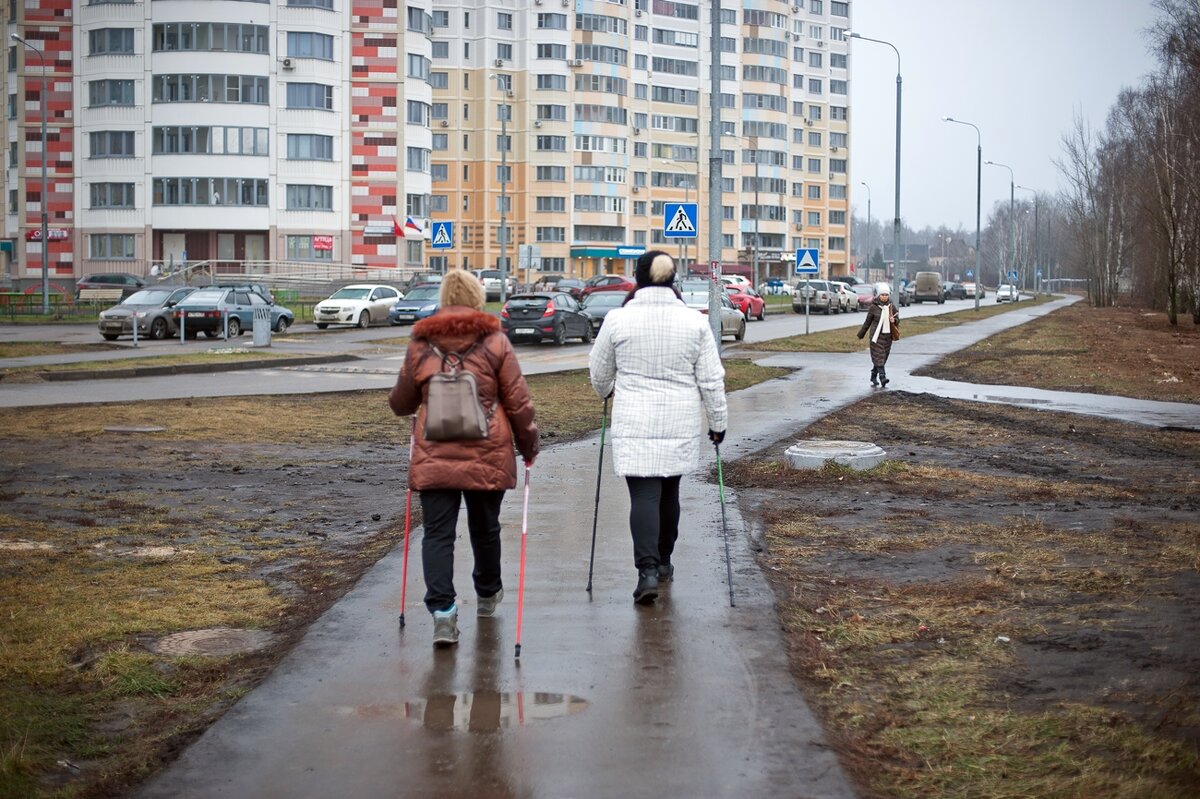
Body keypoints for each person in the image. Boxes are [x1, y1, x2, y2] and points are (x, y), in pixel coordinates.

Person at [389, 269, 539, 646]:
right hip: (487, 452)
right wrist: (529, 447)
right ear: (476, 298)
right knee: (485, 528)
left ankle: (443, 614)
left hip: (435, 453)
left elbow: (400, 403)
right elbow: (518, 402)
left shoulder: (420, 344)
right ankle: (487, 595)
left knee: (437, 534)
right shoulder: (495, 343)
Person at [588, 251, 728, 605]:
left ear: (638, 278)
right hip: (679, 420)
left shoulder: (618, 320)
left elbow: (599, 374)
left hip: (634, 419)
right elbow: (711, 380)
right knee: (669, 493)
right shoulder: (694, 322)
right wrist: (718, 424)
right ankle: (664, 562)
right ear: (672, 280)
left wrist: (607, 390)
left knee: (644, 496)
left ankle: (647, 571)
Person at [857, 282, 900, 387]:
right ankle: (883, 378)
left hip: (887, 337)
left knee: (882, 358)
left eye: (886, 295)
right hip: (876, 337)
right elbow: (867, 322)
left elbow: (898, 320)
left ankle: (873, 375)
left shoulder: (892, 307)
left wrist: (893, 320)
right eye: (882, 295)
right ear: (878, 296)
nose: (884, 297)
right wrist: (861, 334)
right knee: (879, 357)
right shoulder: (873, 308)